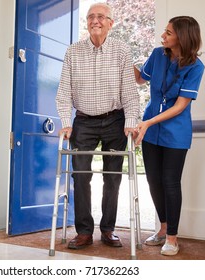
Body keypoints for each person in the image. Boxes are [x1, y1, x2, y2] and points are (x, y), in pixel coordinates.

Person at [55, 3, 139, 250]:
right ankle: (83, 231)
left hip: (115, 120)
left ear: (111, 23)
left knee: (112, 177)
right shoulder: (73, 52)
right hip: (83, 120)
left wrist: (131, 122)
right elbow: (63, 93)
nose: (95, 20)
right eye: (91, 17)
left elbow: (130, 94)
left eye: (101, 17)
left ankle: (108, 229)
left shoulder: (121, 50)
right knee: (81, 176)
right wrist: (66, 123)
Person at [133, 16, 205, 256]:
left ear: (182, 38)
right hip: (150, 129)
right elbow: (140, 79)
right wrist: (123, 58)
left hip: (175, 133)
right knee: (153, 180)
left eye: (168, 33)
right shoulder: (157, 55)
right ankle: (162, 229)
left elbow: (181, 105)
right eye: (164, 32)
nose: (163, 36)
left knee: (170, 182)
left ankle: (173, 238)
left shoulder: (196, 66)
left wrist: (149, 121)